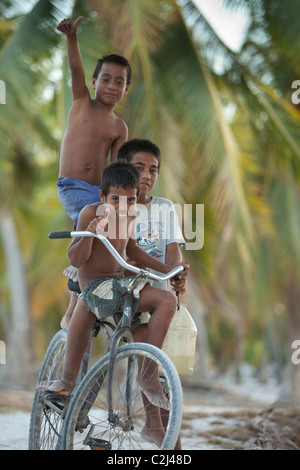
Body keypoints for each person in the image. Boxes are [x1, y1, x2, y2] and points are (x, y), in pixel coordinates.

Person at [39, 162, 189, 445]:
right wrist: (92, 232)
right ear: (101, 197)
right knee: (90, 308)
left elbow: (131, 250)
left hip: (122, 286)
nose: (123, 206)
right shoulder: (88, 214)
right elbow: (76, 258)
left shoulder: (130, 217)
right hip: (98, 288)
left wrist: (168, 269)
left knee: (166, 300)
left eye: (130, 200)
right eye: (116, 199)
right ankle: (67, 381)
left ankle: (148, 373)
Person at [55, 17, 131, 327]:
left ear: (126, 88)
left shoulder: (119, 127)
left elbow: (118, 170)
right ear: (94, 82)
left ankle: (111, 284)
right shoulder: (81, 102)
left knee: (115, 225)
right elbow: (74, 69)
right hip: (72, 187)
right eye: (106, 79)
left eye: (120, 82)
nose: (112, 86)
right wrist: (72, 38)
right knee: (91, 220)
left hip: (99, 191)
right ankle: (74, 304)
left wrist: (132, 198)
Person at [117, 138, 186, 294]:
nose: (147, 176)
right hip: (122, 292)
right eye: (139, 168)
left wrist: (175, 273)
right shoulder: (114, 208)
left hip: (157, 292)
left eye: (153, 170)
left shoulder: (165, 206)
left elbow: (172, 248)